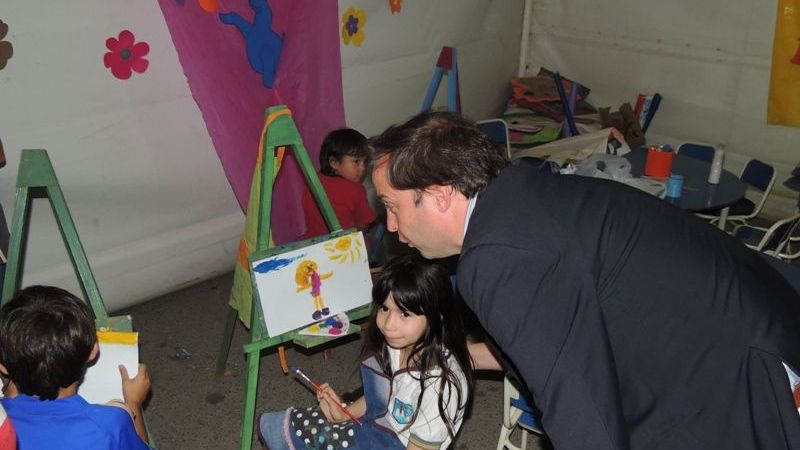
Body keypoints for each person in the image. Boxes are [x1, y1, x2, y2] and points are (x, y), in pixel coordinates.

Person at [369, 111, 800, 449]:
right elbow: (551, 335)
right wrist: (453, 354)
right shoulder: (514, 197)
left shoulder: (498, 257)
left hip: (737, 370)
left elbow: (579, 401)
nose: (390, 225)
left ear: (441, 194)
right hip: (738, 325)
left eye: (392, 205)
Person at [258, 254, 473, 450]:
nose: (388, 324)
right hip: (381, 424)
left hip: (400, 444)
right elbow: (379, 397)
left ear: (437, 317)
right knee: (293, 427)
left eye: (405, 314)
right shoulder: (398, 344)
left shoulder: (438, 386)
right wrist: (345, 413)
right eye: (385, 308)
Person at [0, 285, 151, 449]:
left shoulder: (3, 422)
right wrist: (134, 402)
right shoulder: (109, 423)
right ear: (93, 350)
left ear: (3, 368)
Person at [301, 128, 377, 241]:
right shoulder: (355, 190)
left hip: (316, 245)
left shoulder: (313, 182)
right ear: (334, 162)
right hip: (345, 247)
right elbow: (365, 224)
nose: (363, 168)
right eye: (356, 161)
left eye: (365, 161)